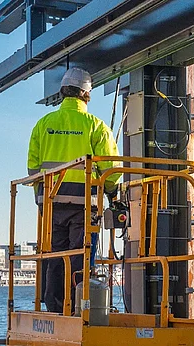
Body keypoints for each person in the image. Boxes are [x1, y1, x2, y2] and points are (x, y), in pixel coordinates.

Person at [28, 67, 119, 313]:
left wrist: (41, 199)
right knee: (80, 256)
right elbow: (111, 169)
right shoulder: (96, 126)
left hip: (51, 203)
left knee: (54, 256)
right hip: (84, 205)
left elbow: (33, 168)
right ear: (86, 95)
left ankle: (56, 306)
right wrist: (111, 192)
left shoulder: (43, 125)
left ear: (62, 92)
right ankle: (81, 306)